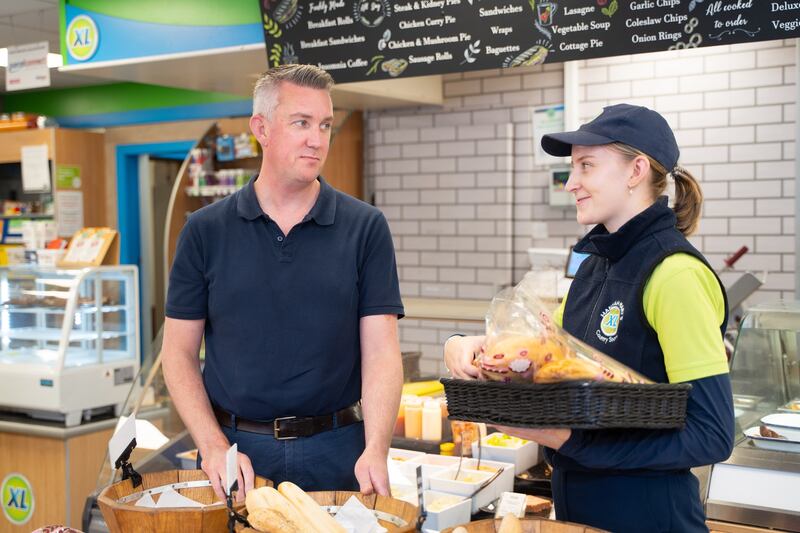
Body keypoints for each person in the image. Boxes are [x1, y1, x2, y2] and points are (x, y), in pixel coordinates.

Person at [445, 104, 734, 532]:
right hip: (578, 506)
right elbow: (549, 364)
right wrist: (471, 347)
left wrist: (571, 441)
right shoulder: (593, 266)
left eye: (585, 166)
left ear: (636, 170)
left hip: (648, 515)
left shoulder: (675, 274)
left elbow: (711, 435)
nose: (571, 183)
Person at [161, 64, 404, 502]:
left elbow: (382, 351)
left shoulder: (365, 227)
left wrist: (376, 447)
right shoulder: (204, 230)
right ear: (262, 128)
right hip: (238, 453)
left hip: (339, 449)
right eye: (301, 123)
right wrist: (213, 446)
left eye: (325, 124)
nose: (317, 138)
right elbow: (177, 355)